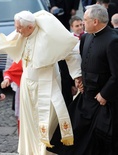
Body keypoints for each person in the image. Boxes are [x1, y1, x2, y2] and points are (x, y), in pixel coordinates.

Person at [0, 10, 82, 155]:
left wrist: (77, 75)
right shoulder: (22, 32)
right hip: (27, 84)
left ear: (30, 27)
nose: (17, 31)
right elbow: (10, 43)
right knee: (28, 121)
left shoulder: (48, 36)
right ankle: (29, 151)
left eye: (19, 28)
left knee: (47, 120)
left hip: (47, 83)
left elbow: (71, 50)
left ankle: (44, 151)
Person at [48, 4, 118, 155]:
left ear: (95, 22)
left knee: (99, 141)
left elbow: (116, 74)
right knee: (74, 133)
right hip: (86, 97)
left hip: (103, 102)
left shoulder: (113, 41)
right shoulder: (85, 37)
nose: (82, 23)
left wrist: (105, 94)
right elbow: (82, 62)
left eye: (85, 20)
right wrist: (79, 78)